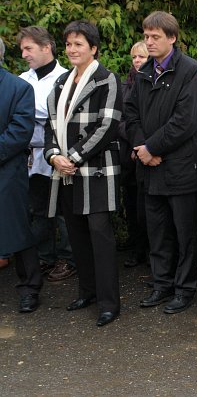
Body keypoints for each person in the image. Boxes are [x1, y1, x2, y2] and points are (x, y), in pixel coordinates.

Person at [125, 11, 197, 314]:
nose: (149, 42)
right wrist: (142, 147)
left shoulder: (190, 70)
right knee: (157, 231)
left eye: (155, 37)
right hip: (150, 168)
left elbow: (186, 121)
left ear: (172, 38)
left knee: (184, 233)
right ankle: (161, 284)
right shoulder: (144, 71)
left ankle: (184, 288)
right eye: (146, 36)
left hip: (181, 168)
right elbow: (130, 112)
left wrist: (152, 147)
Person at [44, 20, 122, 327]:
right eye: (68, 44)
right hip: (66, 172)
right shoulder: (61, 82)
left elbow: (108, 125)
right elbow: (50, 125)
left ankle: (109, 303)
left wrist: (73, 156)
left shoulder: (106, 79)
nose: (72, 49)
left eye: (78, 44)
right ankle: (87, 292)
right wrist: (54, 156)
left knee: (100, 236)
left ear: (93, 48)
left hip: (96, 171)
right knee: (76, 235)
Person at [17, 26, 75, 281]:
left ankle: (68, 258)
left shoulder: (66, 78)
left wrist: (27, 111)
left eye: (28, 48)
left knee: (63, 209)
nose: (24, 55)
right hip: (30, 155)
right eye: (22, 49)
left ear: (46, 47)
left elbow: (56, 114)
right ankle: (44, 256)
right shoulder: (22, 78)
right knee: (38, 209)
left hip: (58, 153)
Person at [0, 36, 43, 313]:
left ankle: (30, 288)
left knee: (17, 230)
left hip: (7, 171)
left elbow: (20, 131)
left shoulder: (19, 88)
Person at [120, 41, 149, 268]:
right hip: (127, 154)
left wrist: (141, 145)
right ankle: (136, 247)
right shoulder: (124, 86)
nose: (137, 61)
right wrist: (133, 141)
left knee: (147, 207)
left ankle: (149, 250)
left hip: (148, 152)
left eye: (142, 57)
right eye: (135, 57)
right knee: (131, 204)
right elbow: (119, 120)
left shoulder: (153, 83)